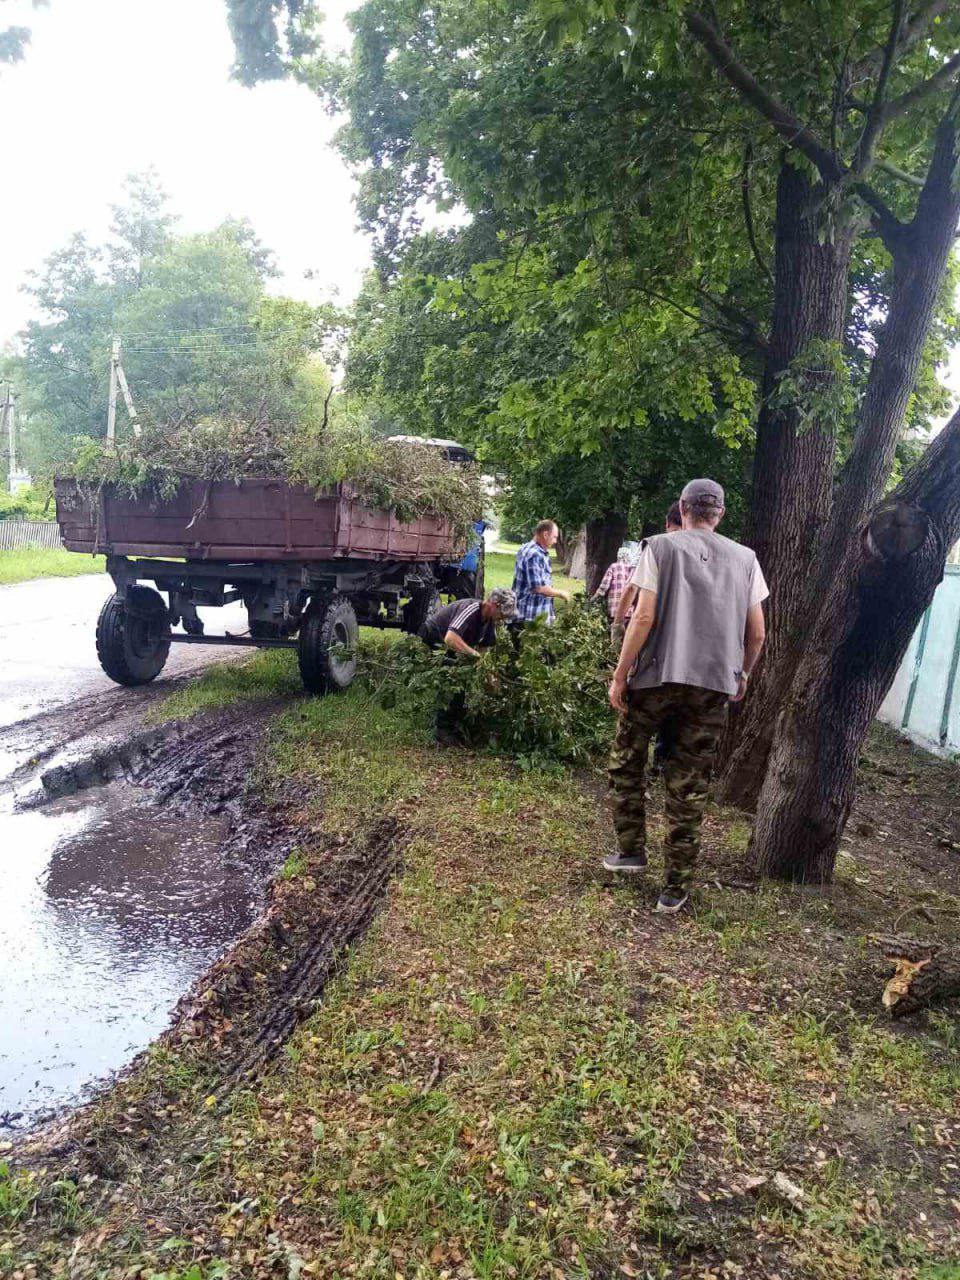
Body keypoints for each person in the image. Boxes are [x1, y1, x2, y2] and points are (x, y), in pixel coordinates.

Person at [604, 478, 767, 914]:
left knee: (627, 761)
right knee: (689, 783)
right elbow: (757, 633)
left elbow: (643, 617)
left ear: (682, 507)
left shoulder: (658, 547)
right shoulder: (747, 559)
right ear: (721, 513)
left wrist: (620, 674)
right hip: (712, 686)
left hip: (655, 678)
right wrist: (743, 674)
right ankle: (675, 887)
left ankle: (630, 850)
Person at [418, 588, 518, 741]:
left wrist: (489, 677)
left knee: (463, 682)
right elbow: (450, 639)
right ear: (493, 604)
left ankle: (453, 723)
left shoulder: (490, 622)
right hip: (434, 638)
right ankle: (442, 730)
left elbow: (483, 651)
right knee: (453, 680)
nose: (503, 618)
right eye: (502, 614)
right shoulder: (471, 609)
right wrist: (474, 655)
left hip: (453, 646)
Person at [611, 502, 682, 645]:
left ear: (667, 523)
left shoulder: (652, 546)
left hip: (654, 625)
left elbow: (631, 587)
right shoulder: (705, 551)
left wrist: (617, 624)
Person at [512, 520, 570, 628]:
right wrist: (561, 593)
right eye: (554, 537)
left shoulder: (527, 548)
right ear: (545, 535)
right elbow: (538, 588)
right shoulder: (534, 554)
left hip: (532, 616)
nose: (555, 541)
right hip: (529, 619)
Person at [593, 546, 638, 627]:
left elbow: (604, 585)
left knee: (615, 631)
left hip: (615, 608)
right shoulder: (632, 569)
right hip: (629, 608)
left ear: (618, 555)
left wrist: (595, 597)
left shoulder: (613, 566)